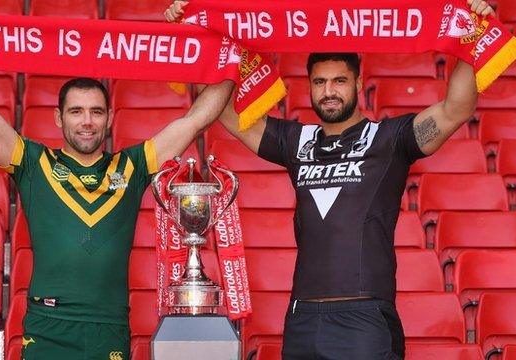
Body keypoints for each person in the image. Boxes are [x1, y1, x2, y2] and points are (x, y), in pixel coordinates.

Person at [165, 0, 494, 359]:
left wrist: (471, 34)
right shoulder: (296, 141)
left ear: (359, 82)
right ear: (309, 86)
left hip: (365, 319)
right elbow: (227, 115)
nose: (329, 91)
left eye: (339, 81)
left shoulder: (389, 139)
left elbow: (455, 109)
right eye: (319, 82)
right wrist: (193, 39)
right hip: (303, 318)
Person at [0, 4, 234, 359]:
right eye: (76, 111)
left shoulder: (132, 166)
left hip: (108, 327)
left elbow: (194, 122)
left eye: (96, 112)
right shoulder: (32, 163)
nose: (87, 121)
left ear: (110, 118)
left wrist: (230, 52)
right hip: (46, 326)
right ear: (58, 118)